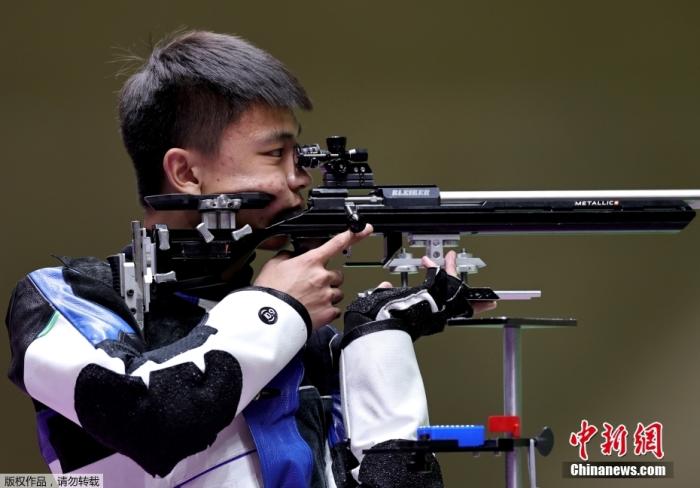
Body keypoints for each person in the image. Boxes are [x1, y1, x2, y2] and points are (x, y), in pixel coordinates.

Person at [5, 31, 494, 487]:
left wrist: (376, 344)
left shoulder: (299, 331)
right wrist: (275, 306)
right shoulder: (66, 297)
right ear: (185, 173)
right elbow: (150, 419)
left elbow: (390, 477)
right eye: (274, 155)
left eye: (298, 156)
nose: (300, 178)